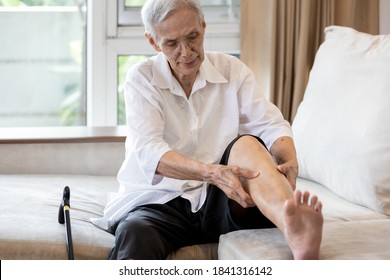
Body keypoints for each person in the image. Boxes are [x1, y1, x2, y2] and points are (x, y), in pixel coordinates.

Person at [91, 0, 323, 260]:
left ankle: (295, 227)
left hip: (221, 199)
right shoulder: (142, 78)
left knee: (246, 144)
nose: (186, 52)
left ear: (203, 26)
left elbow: (271, 125)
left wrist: (287, 157)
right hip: (160, 202)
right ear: (154, 42)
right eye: (171, 43)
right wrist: (212, 173)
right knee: (136, 232)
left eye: (193, 37)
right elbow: (150, 153)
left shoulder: (232, 70)